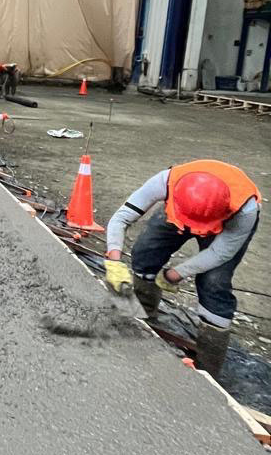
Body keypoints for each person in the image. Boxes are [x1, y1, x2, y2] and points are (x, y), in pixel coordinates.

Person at [104, 160, 261, 377]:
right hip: (180, 211)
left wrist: (174, 275)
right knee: (146, 252)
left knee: (213, 283)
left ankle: (207, 367)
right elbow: (122, 217)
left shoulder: (245, 209)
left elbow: (219, 254)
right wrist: (114, 260)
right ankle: (143, 315)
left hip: (225, 221)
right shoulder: (166, 181)